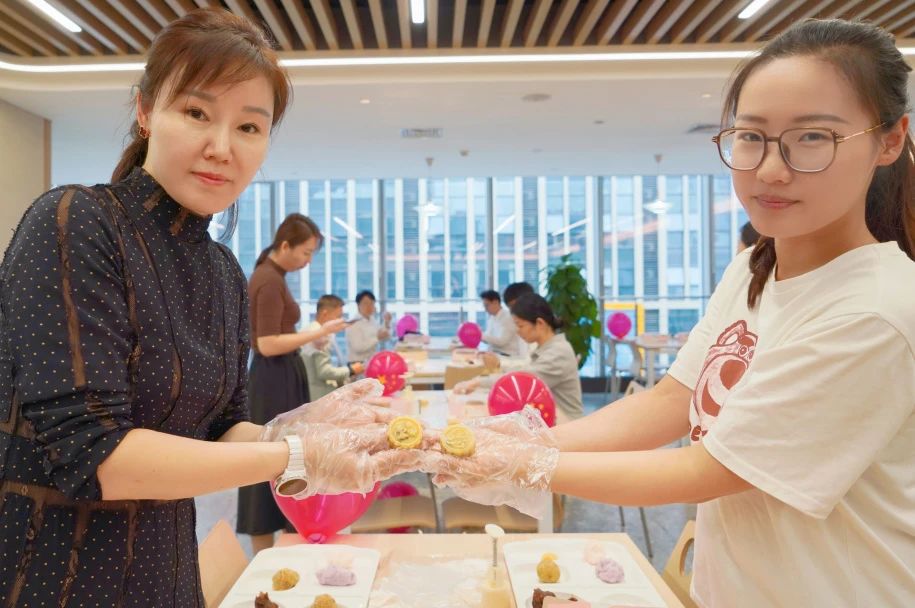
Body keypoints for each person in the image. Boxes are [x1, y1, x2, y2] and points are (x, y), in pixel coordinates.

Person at [432, 19, 915, 607]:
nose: (770, 168)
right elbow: (671, 400)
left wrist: (520, 461)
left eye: (813, 136)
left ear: (889, 140)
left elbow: (707, 471)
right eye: (751, 136)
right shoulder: (752, 268)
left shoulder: (874, 311)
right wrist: (529, 439)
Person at [0, 9, 404, 605]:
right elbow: (94, 455)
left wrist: (307, 429)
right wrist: (292, 455)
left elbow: (220, 430)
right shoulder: (77, 222)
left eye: (249, 126)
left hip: (168, 578)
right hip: (59, 580)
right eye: (196, 113)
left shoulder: (222, 272)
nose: (221, 148)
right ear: (145, 111)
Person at [237, 214, 347, 552]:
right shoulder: (268, 280)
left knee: (285, 460)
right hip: (274, 378)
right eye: (306, 252)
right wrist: (317, 332)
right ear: (285, 245)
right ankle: (266, 554)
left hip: (280, 375)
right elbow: (268, 343)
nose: (308, 261)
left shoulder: (273, 276)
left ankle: (287, 543)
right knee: (271, 461)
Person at [455, 293, 584, 423]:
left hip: (566, 423)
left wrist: (478, 382)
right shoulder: (544, 347)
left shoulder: (558, 352)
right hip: (549, 418)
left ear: (540, 323)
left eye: (520, 325)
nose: (517, 331)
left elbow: (524, 378)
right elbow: (524, 367)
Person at [302, 295, 364, 400]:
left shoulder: (310, 329)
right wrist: (351, 370)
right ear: (325, 314)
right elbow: (324, 372)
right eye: (338, 317)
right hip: (319, 395)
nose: (340, 321)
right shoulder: (320, 336)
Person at [346, 289, 392, 363]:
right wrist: (377, 338)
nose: (369, 306)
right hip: (357, 364)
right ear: (358, 305)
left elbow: (386, 337)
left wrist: (387, 322)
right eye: (365, 303)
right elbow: (358, 348)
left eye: (372, 303)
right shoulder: (353, 323)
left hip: (371, 361)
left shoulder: (371, 319)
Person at [479, 289, 525, 356]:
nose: (485, 309)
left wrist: (480, 335)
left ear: (495, 302)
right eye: (484, 306)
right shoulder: (492, 318)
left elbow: (501, 342)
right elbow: (488, 338)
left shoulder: (508, 317)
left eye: (486, 305)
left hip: (507, 355)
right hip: (495, 353)